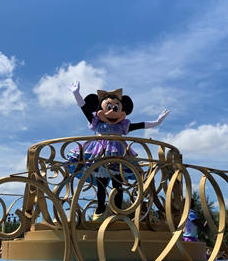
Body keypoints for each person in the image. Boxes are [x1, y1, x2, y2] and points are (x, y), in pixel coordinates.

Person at [68, 81, 169, 221]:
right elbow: (84, 108)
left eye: (116, 107)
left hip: (119, 156)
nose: (112, 111)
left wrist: (157, 122)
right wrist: (76, 94)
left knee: (118, 184)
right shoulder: (96, 121)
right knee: (102, 185)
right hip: (100, 155)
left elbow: (141, 125)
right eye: (109, 107)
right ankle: (100, 210)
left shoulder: (122, 125)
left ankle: (118, 212)